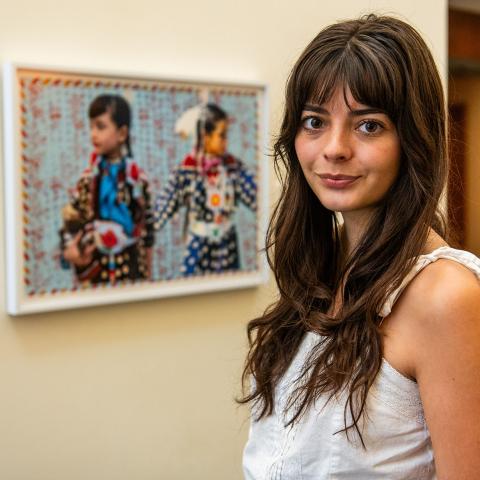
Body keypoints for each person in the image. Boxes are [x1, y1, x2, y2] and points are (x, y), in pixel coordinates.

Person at [240, 14, 480, 480]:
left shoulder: (446, 295)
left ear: (413, 140)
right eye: (314, 122)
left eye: (368, 126)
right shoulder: (322, 268)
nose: (334, 148)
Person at [153, 103, 257, 276]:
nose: (225, 141)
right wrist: (145, 229)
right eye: (221, 135)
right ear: (205, 137)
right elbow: (165, 204)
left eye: (226, 135)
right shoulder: (187, 170)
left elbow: (257, 196)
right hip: (198, 245)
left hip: (227, 245)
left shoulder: (233, 168)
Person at [60, 94, 154, 284]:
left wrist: (149, 274)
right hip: (97, 264)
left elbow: (148, 228)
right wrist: (70, 249)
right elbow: (72, 218)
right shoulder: (88, 179)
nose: (93, 134)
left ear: (121, 134)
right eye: (91, 127)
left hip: (131, 264)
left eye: (100, 127)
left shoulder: (137, 179)